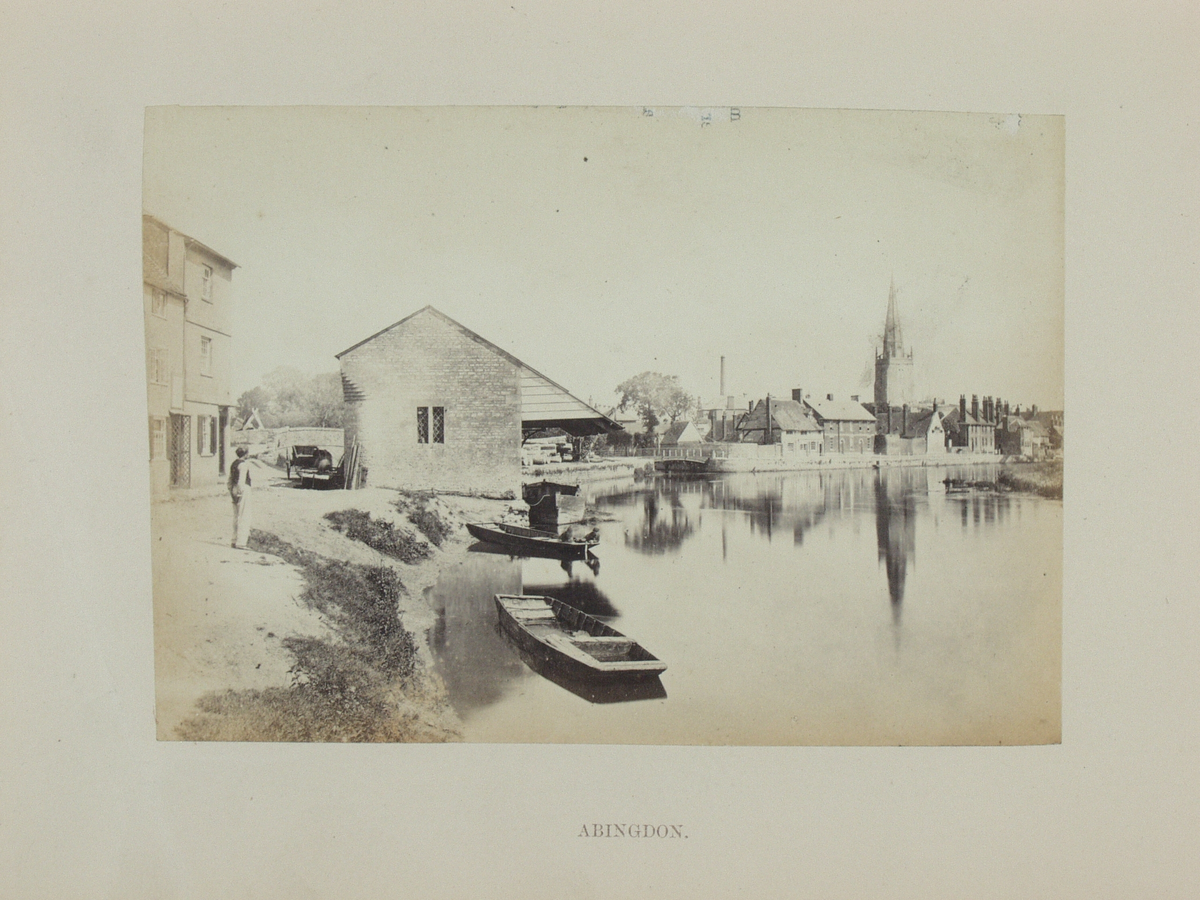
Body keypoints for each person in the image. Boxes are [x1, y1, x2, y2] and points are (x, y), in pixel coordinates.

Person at [228, 446, 257, 549]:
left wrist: (232, 491)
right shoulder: (243, 465)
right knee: (244, 515)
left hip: (234, 489)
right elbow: (241, 480)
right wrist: (240, 493)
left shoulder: (234, 464)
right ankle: (241, 542)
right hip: (243, 489)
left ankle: (234, 540)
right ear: (246, 454)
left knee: (236, 516)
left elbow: (230, 479)